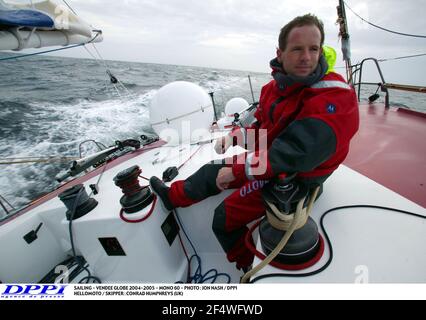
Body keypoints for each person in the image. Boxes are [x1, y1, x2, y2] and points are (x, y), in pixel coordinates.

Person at [150, 14, 359, 271]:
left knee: (223, 218)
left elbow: (295, 152)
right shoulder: (274, 89)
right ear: (280, 53)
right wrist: (234, 137)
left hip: (299, 175)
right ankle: (172, 197)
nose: (306, 57)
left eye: (313, 49)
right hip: (270, 159)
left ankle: (246, 267)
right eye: (297, 49)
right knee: (210, 171)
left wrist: (238, 170)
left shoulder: (334, 95)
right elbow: (264, 131)